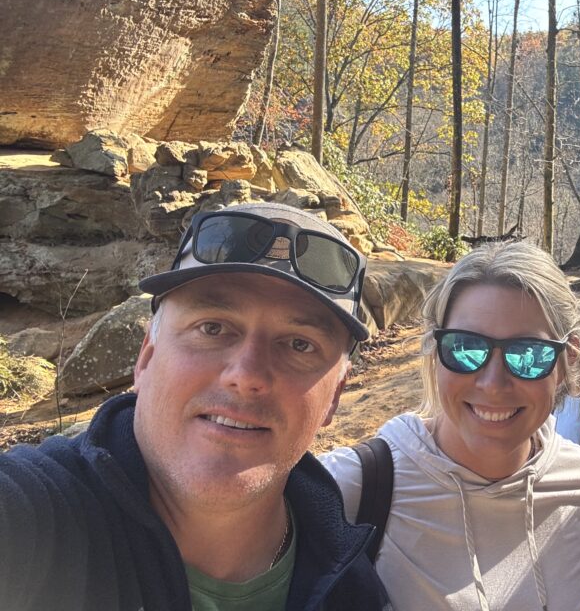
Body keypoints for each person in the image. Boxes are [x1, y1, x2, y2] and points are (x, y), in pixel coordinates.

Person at [0, 202, 389, 611]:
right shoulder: (33, 517)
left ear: (334, 398)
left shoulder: (351, 590)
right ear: (146, 357)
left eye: (298, 344)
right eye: (213, 328)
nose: (247, 374)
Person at [320, 241, 580, 610]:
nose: (493, 383)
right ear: (434, 350)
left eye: (528, 354)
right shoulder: (348, 489)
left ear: (567, 358)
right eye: (464, 347)